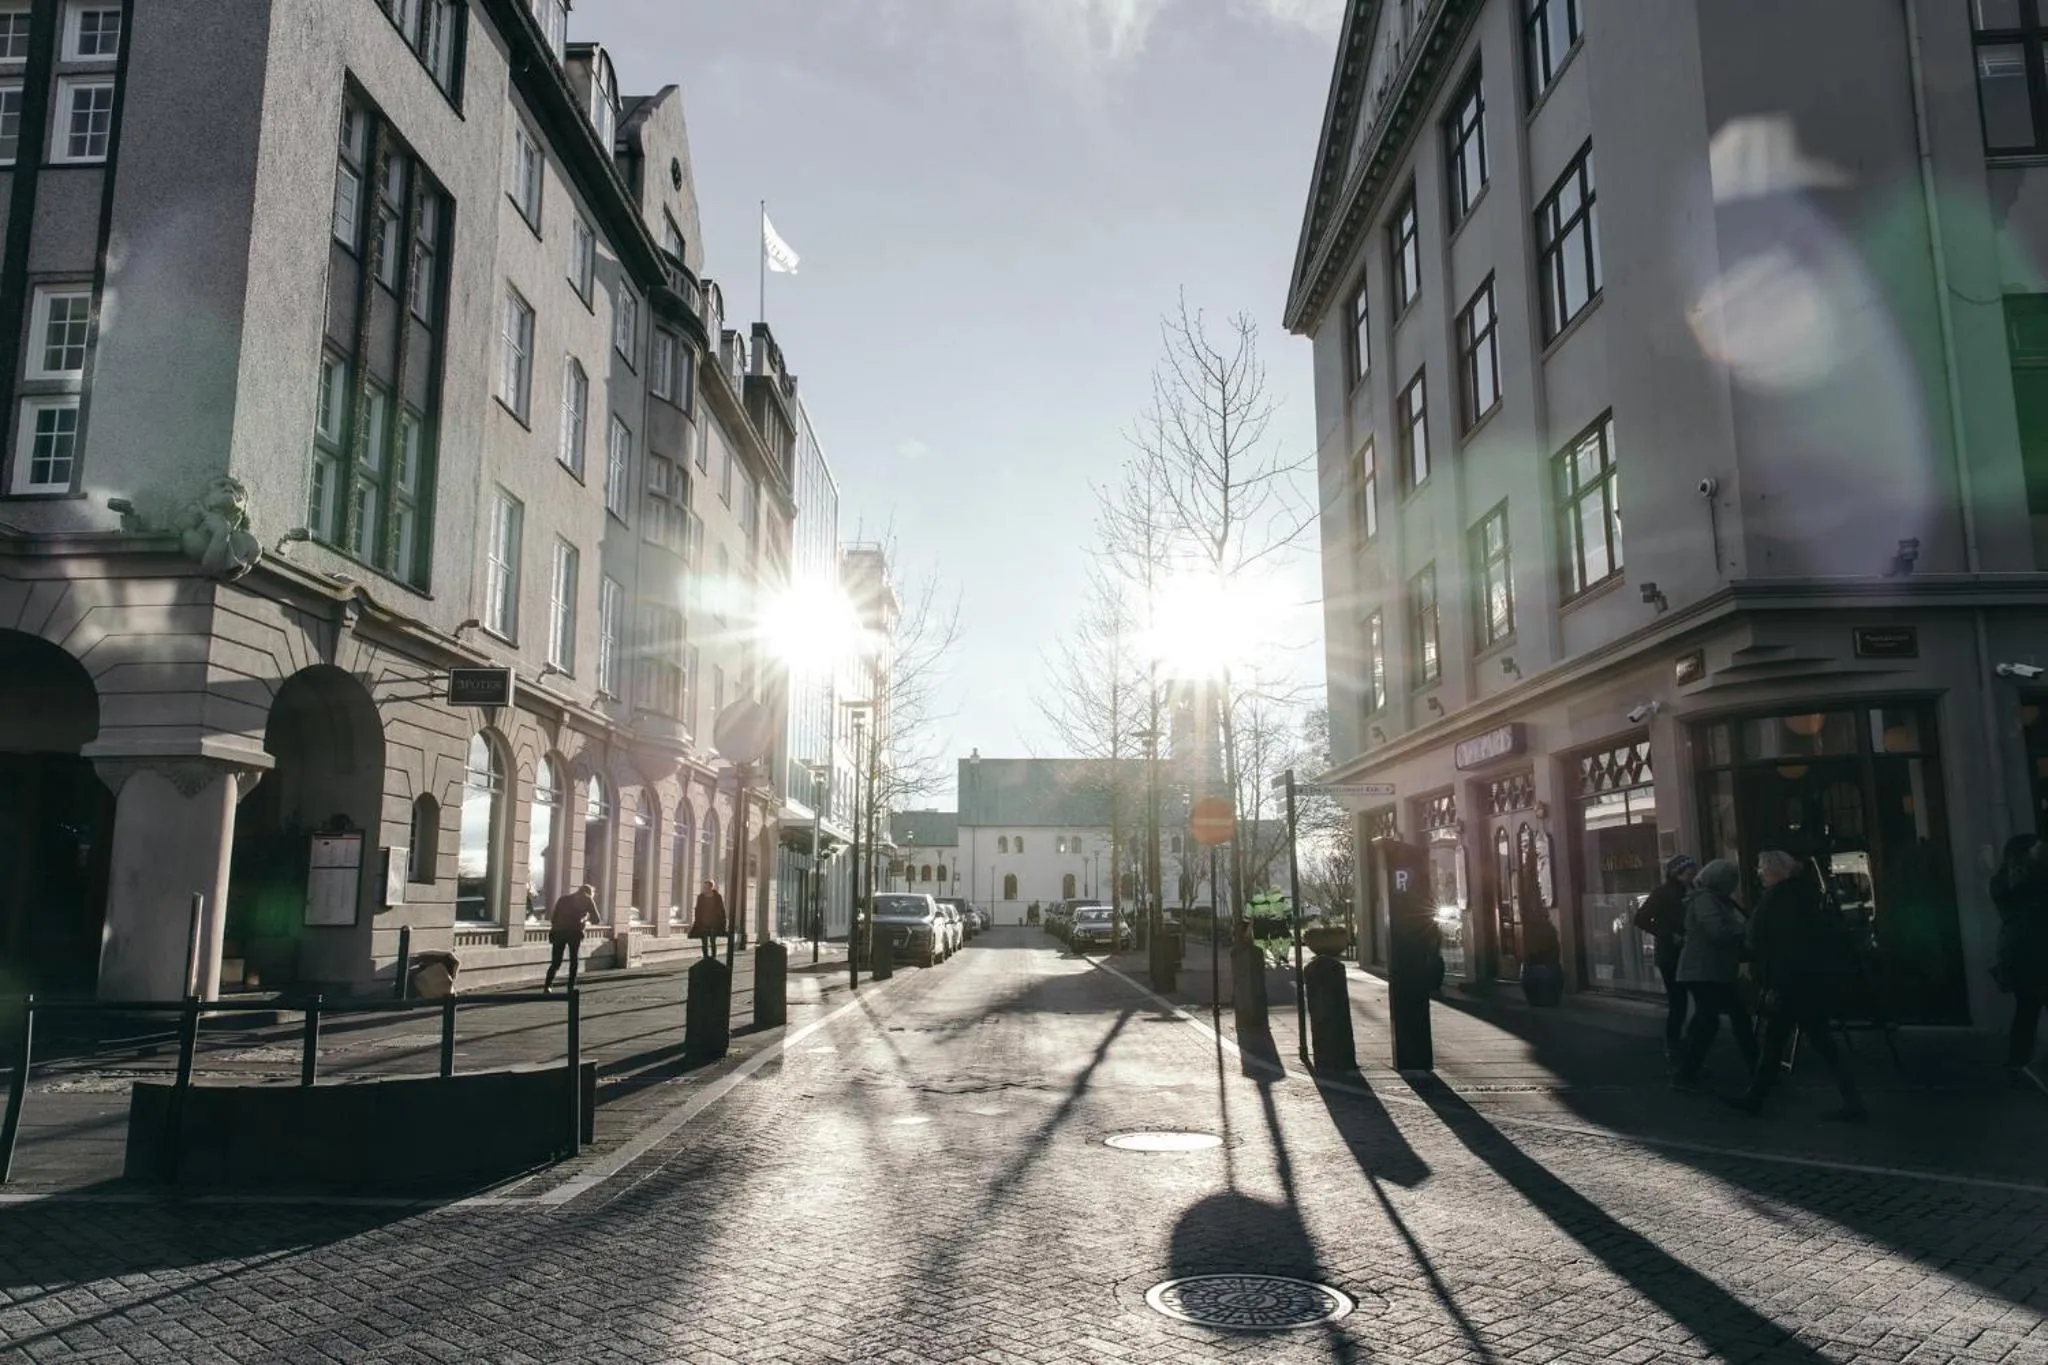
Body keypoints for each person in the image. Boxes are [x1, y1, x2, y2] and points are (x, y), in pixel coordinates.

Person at [1732, 849, 1865, 1121]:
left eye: (1762, 869)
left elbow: (1767, 942)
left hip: (1789, 982)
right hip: (1808, 980)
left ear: (1774, 871)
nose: (1759, 874)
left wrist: (1774, 981)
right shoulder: (1806, 896)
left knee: (1784, 1041)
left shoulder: (1775, 901)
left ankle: (1756, 1097)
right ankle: (1756, 1096)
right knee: (1802, 1041)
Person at [1672, 858, 1759, 1090]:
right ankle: (1686, 1072)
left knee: (1716, 1019)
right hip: (1705, 970)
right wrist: (1743, 930)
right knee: (1715, 1019)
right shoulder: (1706, 900)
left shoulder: (1712, 899)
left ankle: (1687, 1068)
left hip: (1710, 970)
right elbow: (1716, 932)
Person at [1991, 834, 2048, 1073]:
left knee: (2027, 1008)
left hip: (2018, 951)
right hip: (2034, 951)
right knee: (2028, 1006)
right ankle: (2020, 1061)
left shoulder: (2003, 880)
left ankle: (2018, 1061)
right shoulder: (2032, 877)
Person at [1634, 854, 1699, 1063]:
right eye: (1688, 873)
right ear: (1677, 874)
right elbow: (1641, 919)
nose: (1692, 877)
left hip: (1691, 952)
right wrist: (1669, 934)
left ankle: (1688, 1042)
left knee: (1697, 1000)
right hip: (1671, 953)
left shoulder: (1695, 891)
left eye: (1693, 873)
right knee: (1678, 1001)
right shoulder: (1662, 893)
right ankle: (1674, 1044)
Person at [543, 882, 599, 993]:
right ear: (589, 893)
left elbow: (553, 918)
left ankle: (547, 986)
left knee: (556, 961)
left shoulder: (563, 899)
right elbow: (596, 920)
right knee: (574, 959)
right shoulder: (588, 899)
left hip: (558, 931)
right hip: (574, 932)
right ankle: (570, 987)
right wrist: (585, 918)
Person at [690, 879, 727, 958]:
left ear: (711, 887)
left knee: (713, 941)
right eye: (704, 887)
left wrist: (723, 921)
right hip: (703, 923)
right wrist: (697, 921)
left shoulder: (717, 897)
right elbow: (698, 909)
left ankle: (713, 957)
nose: (705, 889)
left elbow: (721, 910)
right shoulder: (701, 897)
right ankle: (705, 957)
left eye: (707, 887)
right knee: (704, 942)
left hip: (714, 923)